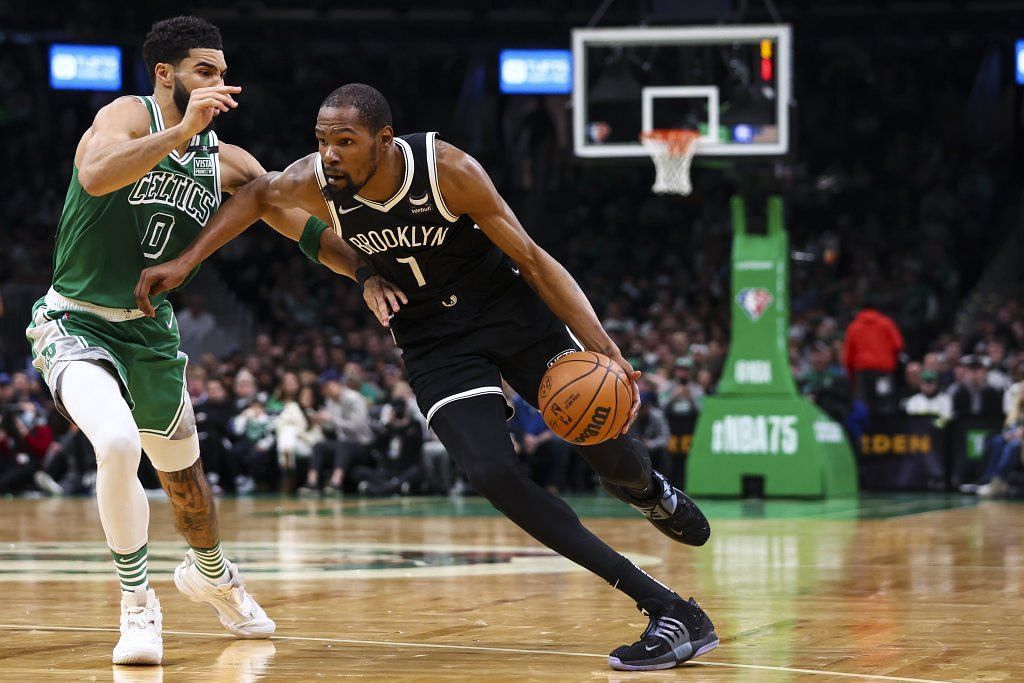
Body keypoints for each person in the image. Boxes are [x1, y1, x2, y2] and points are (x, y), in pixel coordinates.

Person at [135, 83, 717, 671]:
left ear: (383, 142)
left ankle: (646, 490)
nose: (329, 154)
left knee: (606, 446)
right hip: (433, 340)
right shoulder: (316, 181)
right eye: (321, 140)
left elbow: (535, 260)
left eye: (345, 141)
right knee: (493, 473)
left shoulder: (448, 170)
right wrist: (187, 262)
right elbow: (257, 196)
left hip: (507, 312)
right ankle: (669, 609)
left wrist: (607, 350)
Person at [16, 15, 386, 664]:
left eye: (222, 72)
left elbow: (295, 221)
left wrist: (366, 269)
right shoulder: (126, 116)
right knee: (116, 441)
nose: (220, 84)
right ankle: (138, 605)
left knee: (187, 485)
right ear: (166, 76)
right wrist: (182, 131)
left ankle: (212, 574)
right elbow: (99, 175)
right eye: (205, 72)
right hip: (73, 318)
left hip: (150, 334)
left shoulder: (227, 162)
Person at [842, 297, 904, 414]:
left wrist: (851, 377)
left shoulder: (854, 327)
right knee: (885, 402)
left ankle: (865, 432)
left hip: (863, 373)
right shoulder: (886, 323)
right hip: (883, 372)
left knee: (863, 405)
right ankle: (885, 431)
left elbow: (848, 355)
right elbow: (898, 345)